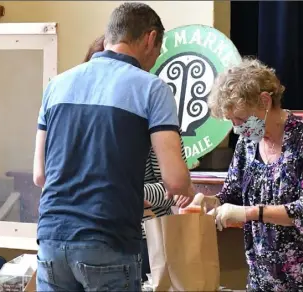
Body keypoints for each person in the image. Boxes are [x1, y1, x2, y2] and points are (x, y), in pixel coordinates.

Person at [32, 3, 194, 291]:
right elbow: (176, 180)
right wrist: (190, 195)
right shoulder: (152, 88)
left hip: (51, 238)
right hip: (108, 239)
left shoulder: (56, 85)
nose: (156, 58)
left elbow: (40, 176)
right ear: (149, 38)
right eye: (159, 49)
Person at [190, 58, 303, 291]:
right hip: (265, 281)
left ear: (265, 101)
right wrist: (212, 201)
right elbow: (233, 193)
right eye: (232, 122)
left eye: (240, 119)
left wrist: (247, 213)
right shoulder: (247, 144)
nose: (237, 128)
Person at [83, 34, 193, 282]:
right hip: (92, 235)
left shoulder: (150, 115)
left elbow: (176, 188)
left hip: (143, 238)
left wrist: (124, 194)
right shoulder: (88, 121)